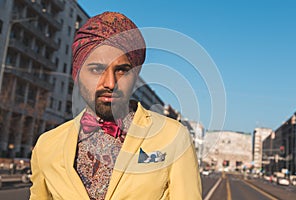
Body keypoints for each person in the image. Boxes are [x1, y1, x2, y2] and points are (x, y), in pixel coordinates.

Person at [30, 11, 202, 200]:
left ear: (135, 76)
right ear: (77, 75)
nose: (110, 83)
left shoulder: (172, 136)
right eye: (97, 69)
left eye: (121, 70)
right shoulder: (47, 145)